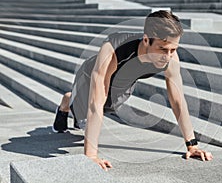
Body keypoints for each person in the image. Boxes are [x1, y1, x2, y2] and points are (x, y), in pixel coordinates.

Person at [52, 10, 213, 171]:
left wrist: (191, 145)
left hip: (122, 86)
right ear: (145, 40)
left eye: (173, 49)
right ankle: (67, 101)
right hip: (89, 77)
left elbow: (178, 100)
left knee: (109, 107)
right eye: (163, 49)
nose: (168, 56)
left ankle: (74, 104)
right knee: (87, 112)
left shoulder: (171, 58)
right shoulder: (115, 48)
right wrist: (91, 155)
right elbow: (96, 103)